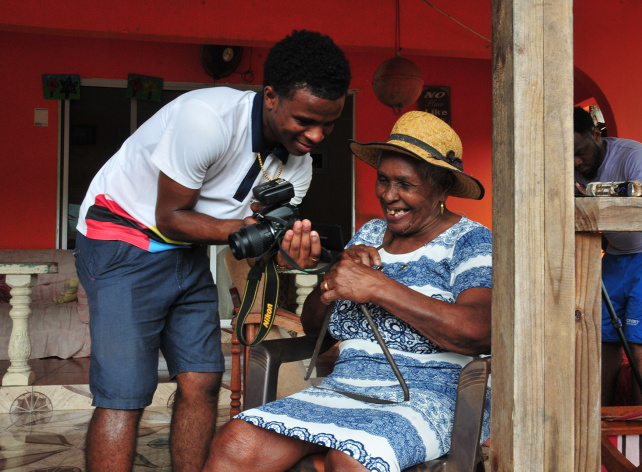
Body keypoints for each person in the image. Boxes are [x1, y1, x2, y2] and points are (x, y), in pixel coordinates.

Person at [73, 30, 351, 472]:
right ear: (271, 96)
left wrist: (292, 254)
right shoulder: (207, 119)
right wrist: (248, 229)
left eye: (329, 123)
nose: (317, 135)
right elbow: (170, 216)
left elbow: (264, 244)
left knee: (203, 379)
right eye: (305, 120)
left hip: (184, 249)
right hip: (121, 237)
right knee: (125, 393)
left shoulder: (297, 164)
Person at [203, 111, 493, 472]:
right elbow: (316, 331)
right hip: (344, 390)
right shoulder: (370, 234)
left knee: (351, 458)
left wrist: (377, 287)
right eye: (383, 180)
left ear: (442, 187)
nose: (389, 195)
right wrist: (333, 281)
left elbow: (478, 332)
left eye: (406, 184)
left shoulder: (471, 240)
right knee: (234, 442)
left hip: (431, 397)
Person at [573, 106, 642, 406]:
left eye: (581, 152)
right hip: (615, 256)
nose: (576, 162)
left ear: (596, 133)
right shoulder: (570, 166)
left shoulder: (636, 157)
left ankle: (641, 426)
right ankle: (600, 421)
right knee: (601, 339)